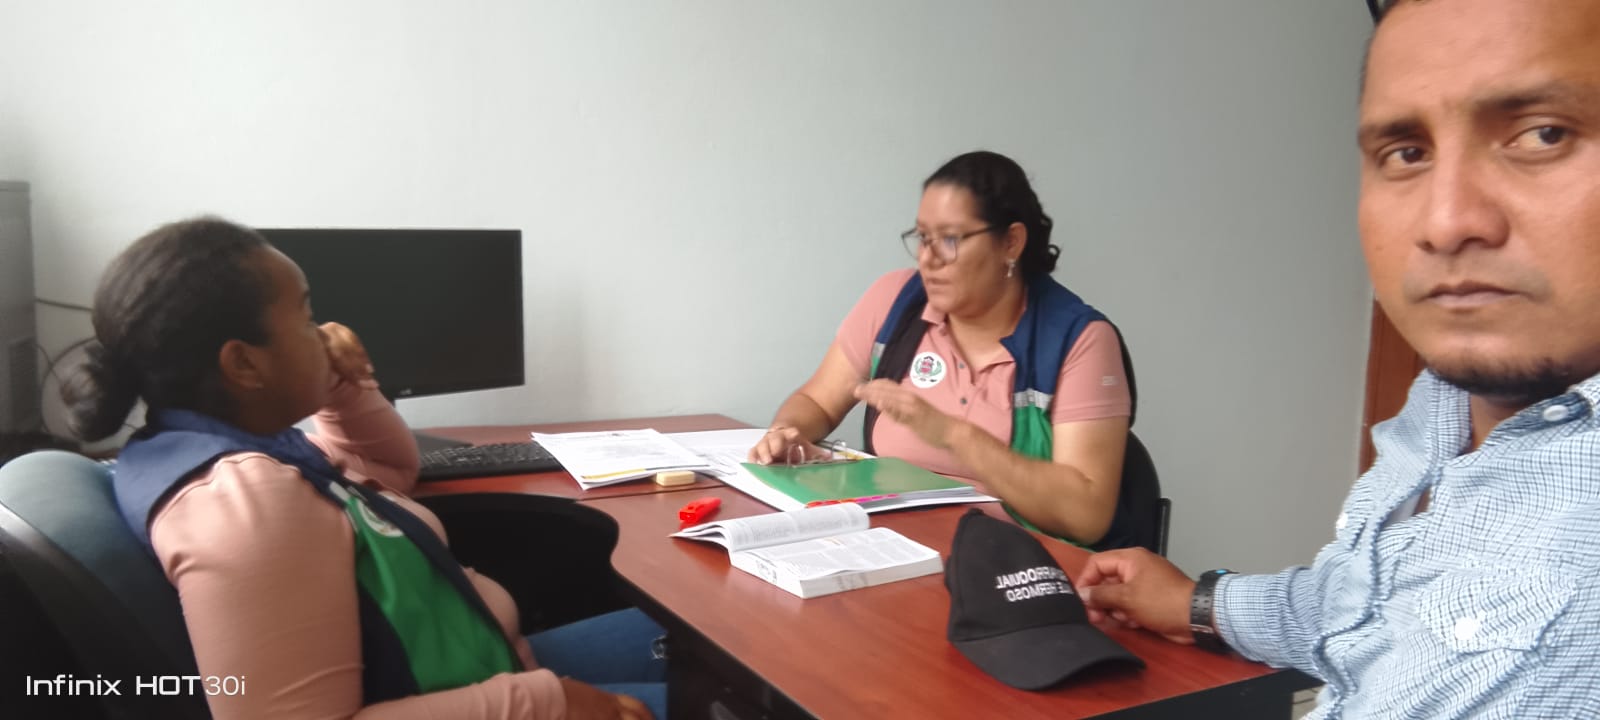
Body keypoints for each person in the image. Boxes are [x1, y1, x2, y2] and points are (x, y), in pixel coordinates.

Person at [1074, 0, 1600, 717]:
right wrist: (1200, 603)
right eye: (1407, 152)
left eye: (1543, 134)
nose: (1445, 222)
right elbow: (1363, 605)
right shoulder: (1448, 399)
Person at [64, 217, 662, 719]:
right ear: (244, 364)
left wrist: (341, 387)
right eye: (306, 318)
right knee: (720, 687)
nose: (325, 332)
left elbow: (386, 471)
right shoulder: (248, 503)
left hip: (482, 661)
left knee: (701, 638)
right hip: (477, 690)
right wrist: (548, 703)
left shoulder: (229, 447)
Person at [749, 151, 1136, 547]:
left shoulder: (1080, 340)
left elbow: (1086, 517)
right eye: (923, 238)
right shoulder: (896, 301)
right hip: (889, 545)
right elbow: (817, 400)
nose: (928, 259)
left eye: (950, 239)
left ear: (1011, 242)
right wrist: (787, 434)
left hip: (1016, 563)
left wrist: (953, 435)